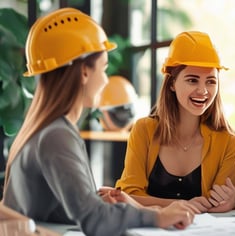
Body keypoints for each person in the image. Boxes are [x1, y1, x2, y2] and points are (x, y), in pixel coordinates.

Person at [2, 8, 197, 236]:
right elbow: (93, 221)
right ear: (84, 72)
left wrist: (115, 204)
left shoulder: (45, 129)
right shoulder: (56, 135)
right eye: (104, 69)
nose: (106, 80)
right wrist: (158, 216)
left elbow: (57, 210)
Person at [111, 31, 235, 213]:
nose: (203, 90)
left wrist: (234, 200)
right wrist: (177, 206)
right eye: (192, 80)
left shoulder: (227, 139)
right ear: (172, 83)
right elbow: (127, 196)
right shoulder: (144, 130)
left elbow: (220, 203)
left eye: (211, 81)